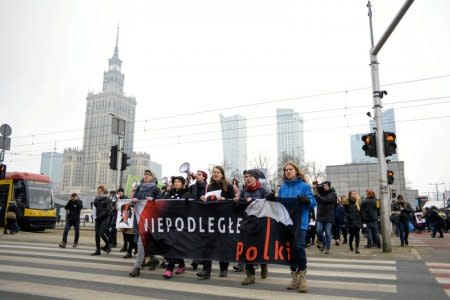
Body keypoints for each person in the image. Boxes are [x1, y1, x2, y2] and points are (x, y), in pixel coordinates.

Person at [277, 161, 316, 293]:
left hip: (301, 223)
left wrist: (307, 201)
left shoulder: (304, 186)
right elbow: (279, 207)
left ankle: (303, 276)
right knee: (290, 251)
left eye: (290, 169)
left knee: (299, 247)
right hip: (286, 224)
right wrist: (272, 199)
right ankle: (294, 277)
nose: (288, 172)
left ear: (296, 171)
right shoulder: (282, 188)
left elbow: (313, 203)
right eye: (286, 170)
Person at [197, 165, 236, 280]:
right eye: (214, 172)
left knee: (223, 244)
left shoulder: (228, 187)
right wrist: (203, 198)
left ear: (222, 174)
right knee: (207, 244)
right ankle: (206, 270)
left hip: (224, 219)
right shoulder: (209, 186)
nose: (215, 174)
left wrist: (226, 200)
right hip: (211, 218)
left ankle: (223, 268)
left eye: (218, 172)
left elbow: (233, 202)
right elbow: (206, 201)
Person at [235, 169, 271, 285]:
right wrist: (240, 201)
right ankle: (250, 275)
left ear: (256, 178)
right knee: (247, 248)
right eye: (246, 177)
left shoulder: (263, 190)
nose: (247, 179)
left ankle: (263, 264)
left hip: (261, 224)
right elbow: (239, 204)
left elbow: (269, 202)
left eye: (250, 176)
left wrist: (254, 200)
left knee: (260, 247)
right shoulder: (244, 190)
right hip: (247, 224)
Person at [129, 169, 162, 277]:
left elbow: (161, 203)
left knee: (145, 242)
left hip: (151, 219)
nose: (146, 176)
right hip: (140, 219)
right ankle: (146, 262)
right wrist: (133, 201)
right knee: (140, 242)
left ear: (153, 177)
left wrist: (153, 200)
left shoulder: (156, 189)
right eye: (145, 174)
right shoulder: (139, 188)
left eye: (149, 174)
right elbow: (135, 202)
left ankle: (138, 266)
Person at [161, 176, 188, 279]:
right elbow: (163, 203)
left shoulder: (186, 193)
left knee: (173, 245)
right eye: (175, 181)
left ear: (183, 183)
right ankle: (181, 264)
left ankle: (169, 268)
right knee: (172, 245)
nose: (176, 183)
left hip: (181, 224)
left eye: (178, 181)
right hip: (170, 223)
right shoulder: (170, 193)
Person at [314, 181, 337, 254]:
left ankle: (327, 248)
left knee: (327, 232)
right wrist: (316, 188)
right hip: (320, 216)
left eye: (326, 185)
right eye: (323, 185)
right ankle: (324, 242)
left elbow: (327, 200)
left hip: (329, 216)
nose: (324, 187)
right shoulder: (321, 193)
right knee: (318, 230)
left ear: (329, 186)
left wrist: (317, 196)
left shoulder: (333, 194)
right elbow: (317, 200)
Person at [91, 185, 112, 255]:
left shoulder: (107, 199)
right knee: (96, 234)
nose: (99, 192)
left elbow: (108, 209)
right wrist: (94, 217)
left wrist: (100, 215)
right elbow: (94, 208)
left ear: (103, 191)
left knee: (101, 233)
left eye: (100, 191)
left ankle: (108, 245)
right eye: (98, 191)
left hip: (105, 218)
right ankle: (98, 250)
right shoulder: (96, 199)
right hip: (98, 218)